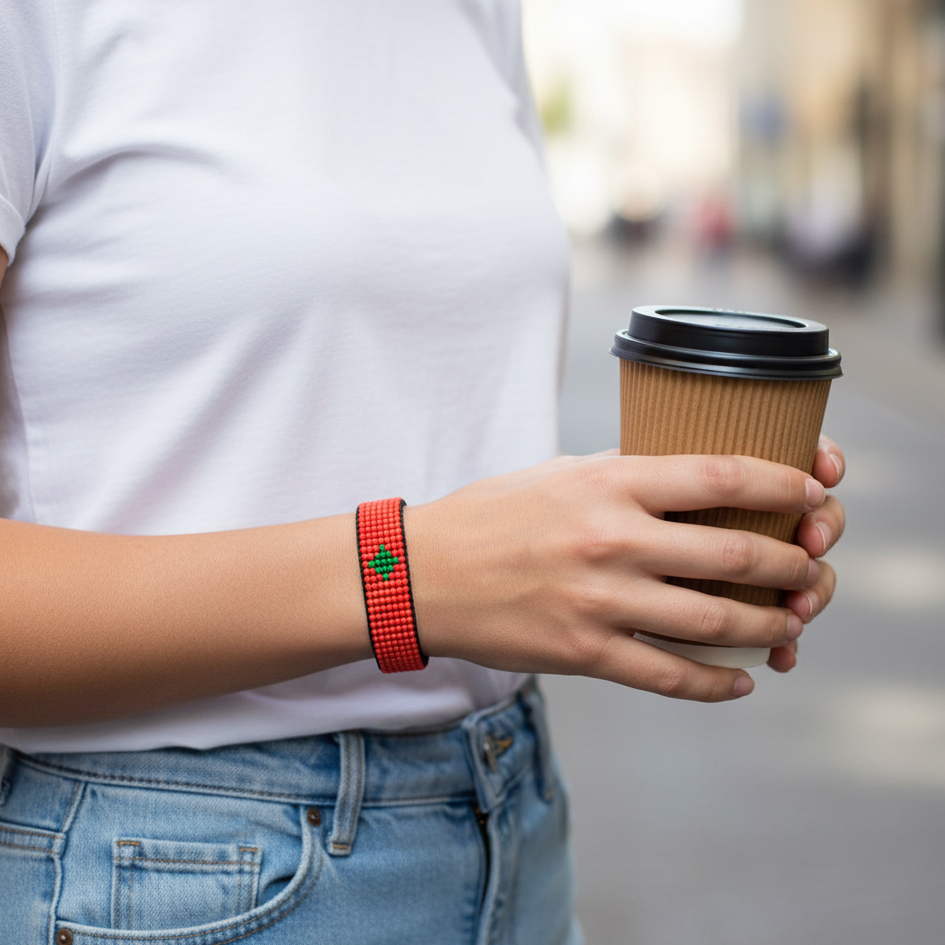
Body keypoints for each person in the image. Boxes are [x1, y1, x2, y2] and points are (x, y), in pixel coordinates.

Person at [0, 3, 845, 943]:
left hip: (504, 810)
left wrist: (609, 538)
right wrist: (414, 575)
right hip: (177, 866)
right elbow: (432, 557)